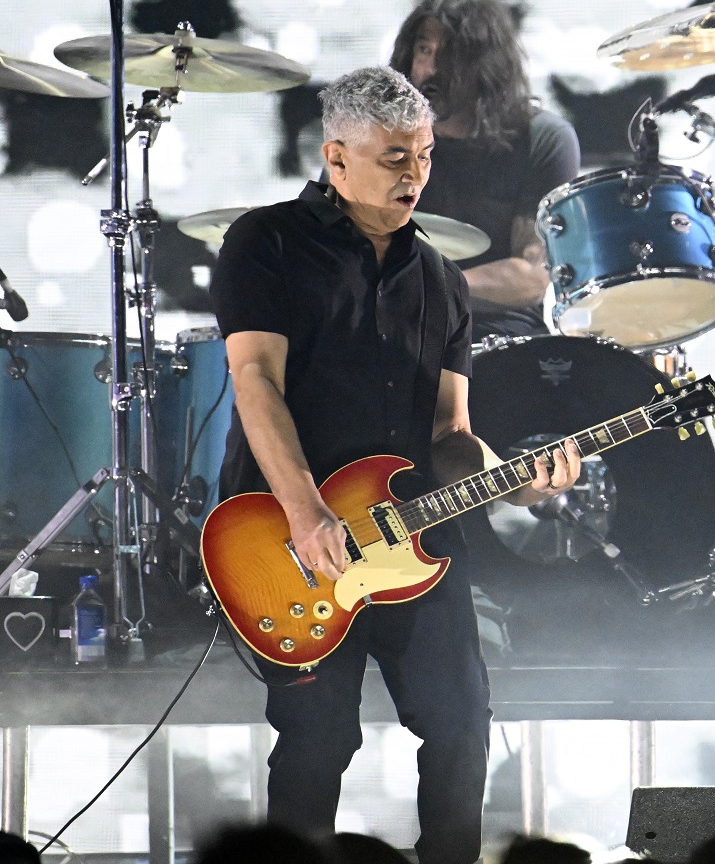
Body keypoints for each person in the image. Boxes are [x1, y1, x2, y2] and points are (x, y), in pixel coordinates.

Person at [214, 67, 582, 864]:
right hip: (290, 537)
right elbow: (255, 383)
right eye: (392, 158)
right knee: (316, 744)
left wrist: (516, 474)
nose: (414, 174)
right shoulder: (268, 242)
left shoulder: (442, 281)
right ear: (336, 157)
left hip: (413, 539)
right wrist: (308, 511)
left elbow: (451, 436)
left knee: (461, 727)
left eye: (421, 156)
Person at [388, 0, 581, 341]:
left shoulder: (543, 139)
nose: (430, 70)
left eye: (449, 58)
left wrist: (430, 284)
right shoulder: (379, 134)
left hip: (496, 338)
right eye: (424, 49)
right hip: (391, 331)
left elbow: (531, 277)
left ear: (486, 68)